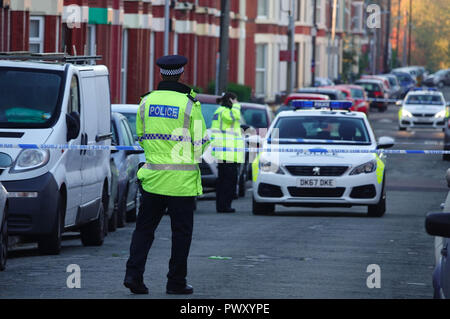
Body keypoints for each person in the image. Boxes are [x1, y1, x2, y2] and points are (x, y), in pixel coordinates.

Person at [124, 55, 210, 295]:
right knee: (180, 235)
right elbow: (201, 143)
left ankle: (133, 275)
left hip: (152, 180)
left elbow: (141, 137)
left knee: (143, 230)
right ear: (182, 74)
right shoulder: (190, 103)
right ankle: (176, 282)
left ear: (161, 74)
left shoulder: (146, 102)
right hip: (181, 184)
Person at [211, 92, 244, 213]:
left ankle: (222, 206)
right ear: (231, 100)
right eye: (235, 100)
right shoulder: (225, 111)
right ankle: (225, 206)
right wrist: (236, 105)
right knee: (229, 182)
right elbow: (234, 116)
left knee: (223, 181)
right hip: (227, 153)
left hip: (224, 153)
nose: (237, 103)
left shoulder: (220, 111)